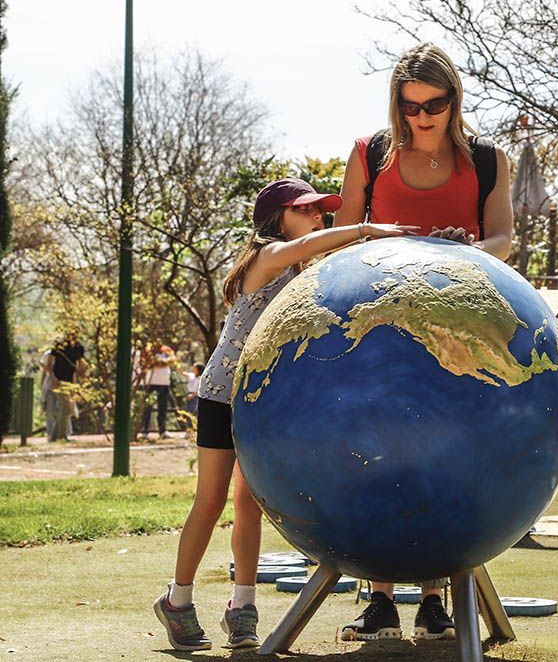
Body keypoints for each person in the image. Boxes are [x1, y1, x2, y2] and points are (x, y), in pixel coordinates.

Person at [151, 179, 411, 652]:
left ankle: (242, 609)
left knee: (250, 506)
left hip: (262, 402)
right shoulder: (266, 257)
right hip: (221, 397)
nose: (319, 216)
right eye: (307, 209)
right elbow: (311, 244)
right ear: (277, 217)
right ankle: (177, 600)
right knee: (210, 502)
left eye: (321, 210)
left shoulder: (299, 275)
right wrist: (365, 228)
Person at [334, 42, 513, 642]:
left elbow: (504, 240)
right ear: (398, 105)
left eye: (435, 103)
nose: (423, 116)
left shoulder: (488, 160)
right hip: (378, 331)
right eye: (411, 106)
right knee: (375, 448)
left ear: (454, 100)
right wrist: (391, 244)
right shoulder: (369, 155)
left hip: (454, 334)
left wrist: (458, 253)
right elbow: (343, 239)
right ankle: (379, 597)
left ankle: (436, 598)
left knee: (445, 450)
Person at [44, 332, 86, 441]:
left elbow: (80, 364)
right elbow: (49, 364)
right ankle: (61, 435)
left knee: (66, 409)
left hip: (70, 383)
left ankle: (54, 436)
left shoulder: (78, 347)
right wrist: (53, 378)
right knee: (66, 408)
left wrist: (83, 376)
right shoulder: (59, 345)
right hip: (58, 380)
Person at [141, 345, 176, 440]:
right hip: (151, 384)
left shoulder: (167, 351)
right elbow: (150, 363)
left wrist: (162, 363)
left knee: (163, 409)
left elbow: (171, 361)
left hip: (165, 384)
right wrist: (160, 363)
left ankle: (162, 431)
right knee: (148, 408)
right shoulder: (149, 352)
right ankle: (144, 431)